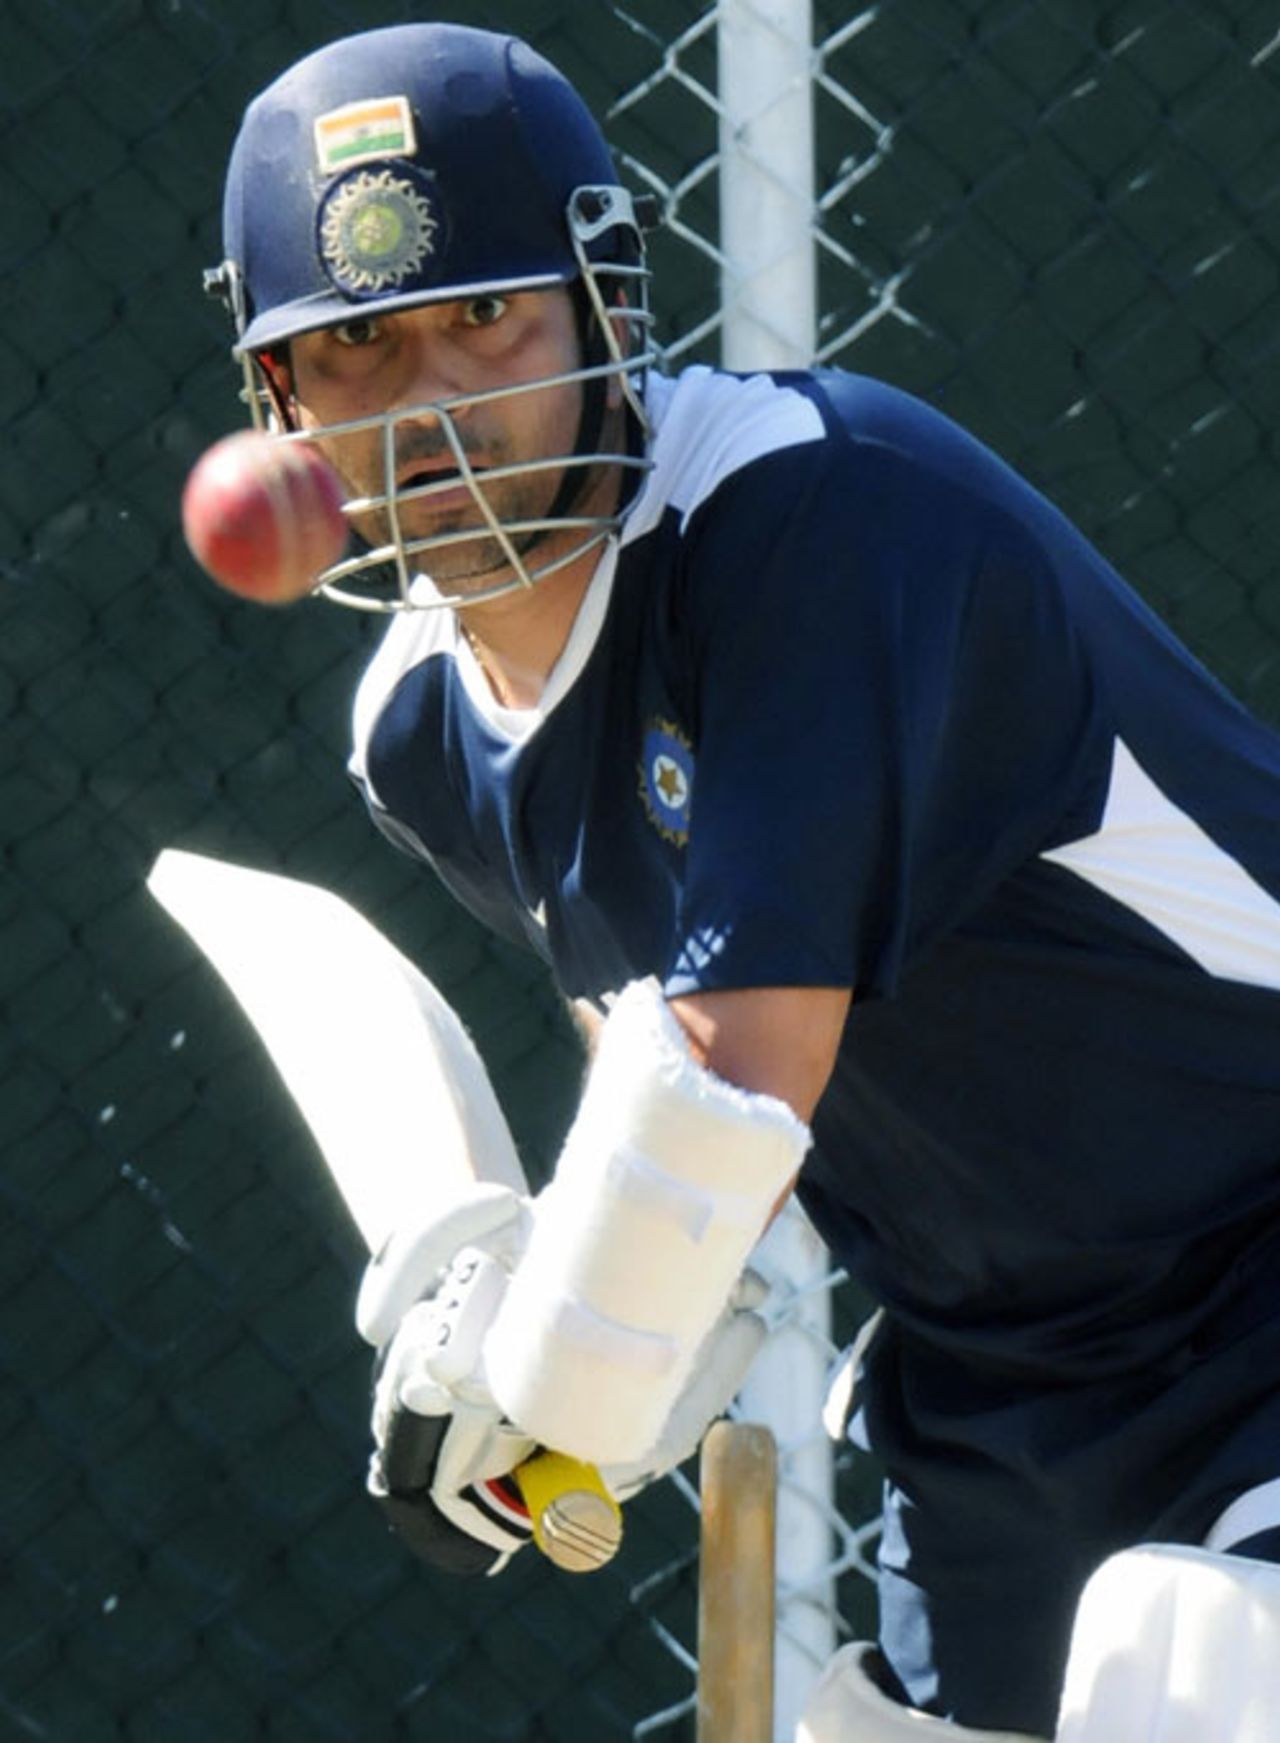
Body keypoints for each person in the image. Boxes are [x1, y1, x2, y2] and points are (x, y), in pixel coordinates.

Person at [206, 21, 1280, 1739]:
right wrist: (526, 1323)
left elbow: (728, 1078)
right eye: (355, 348)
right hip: (999, 1376)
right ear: (282, 401)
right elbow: (652, 1079)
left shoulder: (812, 520)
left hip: (1261, 1256)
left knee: (1197, 1675)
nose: (431, 407)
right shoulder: (419, 727)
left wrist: (564, 1372)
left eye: (484, 317)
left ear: (606, 304)